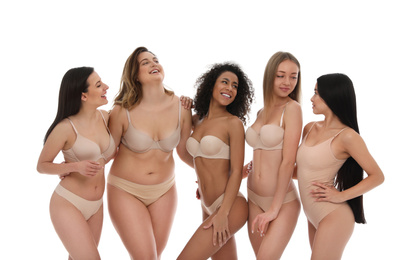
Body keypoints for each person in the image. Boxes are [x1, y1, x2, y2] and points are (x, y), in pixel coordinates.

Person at [107, 46, 192, 259]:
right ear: (135, 75)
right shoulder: (121, 110)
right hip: (125, 190)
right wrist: (73, 167)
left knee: (153, 256)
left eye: (155, 60)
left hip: (164, 191)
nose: (154, 64)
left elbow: (183, 152)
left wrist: (214, 175)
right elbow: (107, 153)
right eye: (145, 62)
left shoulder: (182, 107)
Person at [296, 73, 384, 259]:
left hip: (333, 215)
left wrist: (341, 196)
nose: (311, 98)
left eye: (317, 93)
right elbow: (303, 172)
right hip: (312, 215)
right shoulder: (309, 128)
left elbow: (377, 176)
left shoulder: (347, 137)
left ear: (332, 96)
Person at [37, 67, 115, 259]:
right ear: (83, 96)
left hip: (96, 205)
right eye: (98, 85)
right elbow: (42, 165)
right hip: (68, 203)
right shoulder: (65, 128)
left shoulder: (106, 117)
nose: (106, 87)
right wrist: (74, 166)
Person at [178, 62, 254, 260]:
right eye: (225, 82)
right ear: (211, 85)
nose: (230, 88)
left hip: (230, 206)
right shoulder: (197, 120)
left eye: (235, 86)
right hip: (206, 205)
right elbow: (185, 153)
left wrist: (223, 214)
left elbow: (237, 171)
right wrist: (185, 109)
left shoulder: (233, 124)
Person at [243, 52, 302, 259]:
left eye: (293, 76)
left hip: (282, 202)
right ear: (270, 76)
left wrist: (274, 210)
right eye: (281, 75)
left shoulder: (293, 109)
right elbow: (261, 152)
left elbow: (287, 162)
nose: (288, 82)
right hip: (254, 199)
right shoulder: (261, 111)